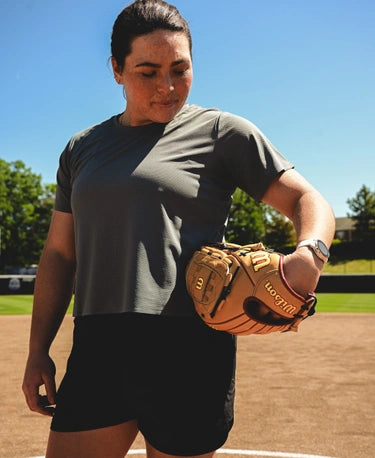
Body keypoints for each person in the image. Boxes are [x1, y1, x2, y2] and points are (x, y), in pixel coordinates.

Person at [22, 1, 335, 457]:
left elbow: (310, 201)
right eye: (147, 72)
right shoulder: (81, 149)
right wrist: (37, 351)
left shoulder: (222, 132)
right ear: (116, 70)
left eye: (180, 69)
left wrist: (311, 254)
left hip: (189, 348)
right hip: (99, 343)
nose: (167, 87)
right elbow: (59, 255)